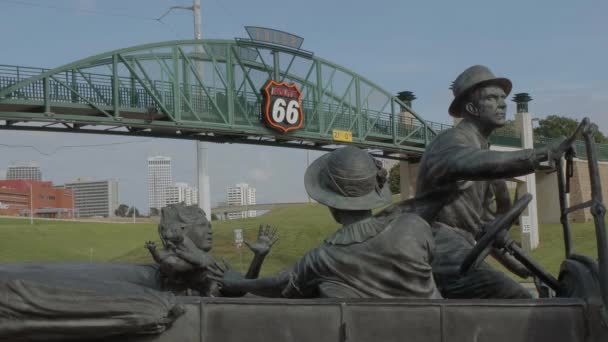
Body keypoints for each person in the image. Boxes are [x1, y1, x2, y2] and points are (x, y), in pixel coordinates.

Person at [415, 65, 572, 299]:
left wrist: (524, 267)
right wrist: (540, 155)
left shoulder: (481, 147)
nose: (502, 104)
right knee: (519, 301)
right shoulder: (452, 142)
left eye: (503, 98)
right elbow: (473, 162)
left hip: (461, 246)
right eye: (492, 98)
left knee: (530, 296)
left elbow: (486, 227)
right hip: (439, 246)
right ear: (471, 108)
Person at [220, 146, 441, 299]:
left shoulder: (323, 258)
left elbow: (279, 284)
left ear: (333, 205)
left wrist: (239, 282)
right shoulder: (415, 227)